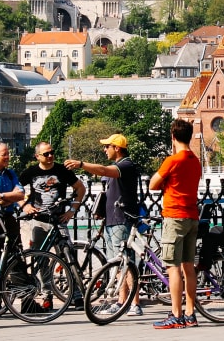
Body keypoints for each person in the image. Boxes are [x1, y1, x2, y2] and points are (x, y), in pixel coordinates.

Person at [64, 133, 141, 315]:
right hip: (112, 219)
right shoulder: (117, 166)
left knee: (127, 262)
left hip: (123, 219)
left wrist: (81, 164)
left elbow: (105, 171)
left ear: (117, 148)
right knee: (117, 263)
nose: (104, 149)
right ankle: (121, 301)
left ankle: (135, 303)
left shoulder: (126, 165)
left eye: (107, 146)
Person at [149, 118, 202, 329]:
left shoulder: (173, 160)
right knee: (189, 266)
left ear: (172, 137)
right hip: (192, 216)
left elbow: (153, 184)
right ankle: (190, 313)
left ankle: (176, 315)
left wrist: (165, 183)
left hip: (174, 216)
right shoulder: (195, 160)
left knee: (173, 268)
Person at [20, 140, 86, 248]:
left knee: (67, 255)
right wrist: (25, 205)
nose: (50, 156)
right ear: (37, 156)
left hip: (59, 220)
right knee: (39, 258)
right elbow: (16, 190)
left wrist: (72, 210)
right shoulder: (31, 172)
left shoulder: (62, 170)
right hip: (38, 221)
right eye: (46, 154)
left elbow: (80, 188)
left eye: (52, 152)